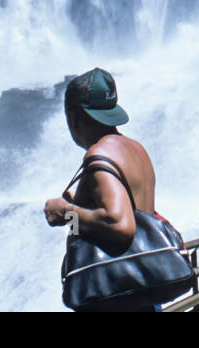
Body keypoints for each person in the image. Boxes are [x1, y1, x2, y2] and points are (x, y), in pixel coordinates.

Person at [44, 68, 159, 310]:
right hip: (143, 290)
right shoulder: (136, 150)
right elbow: (121, 218)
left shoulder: (100, 154)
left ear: (74, 118)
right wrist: (74, 213)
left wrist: (65, 210)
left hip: (116, 296)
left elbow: (120, 224)